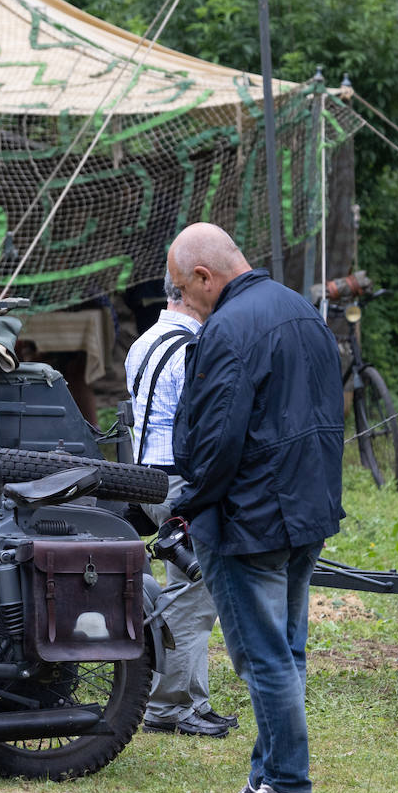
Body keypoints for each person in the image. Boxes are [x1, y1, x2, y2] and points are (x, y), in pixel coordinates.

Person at [169, 222, 344, 793]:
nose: (180, 303)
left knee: (264, 657)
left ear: (203, 277)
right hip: (306, 512)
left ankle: (289, 786)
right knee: (287, 652)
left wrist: (186, 502)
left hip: (250, 519)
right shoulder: (302, 311)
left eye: (181, 290)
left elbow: (215, 439)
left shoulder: (227, 328)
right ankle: (266, 781)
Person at [126, 272, 236, 738]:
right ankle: (169, 706)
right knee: (195, 597)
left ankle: (190, 700)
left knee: (187, 588)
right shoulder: (191, 350)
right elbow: (202, 429)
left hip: (148, 478)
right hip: (177, 480)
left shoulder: (145, 341)